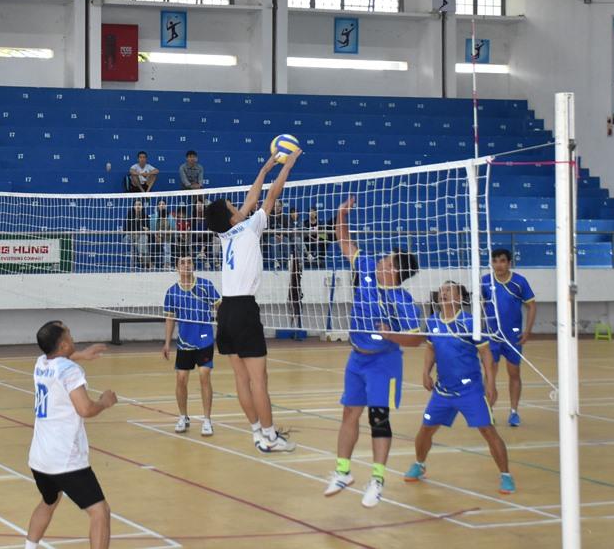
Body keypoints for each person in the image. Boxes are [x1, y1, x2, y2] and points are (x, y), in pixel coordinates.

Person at [324, 196, 422, 508]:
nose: (382, 260)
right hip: (357, 358)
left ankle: (377, 479)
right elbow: (345, 243)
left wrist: (391, 333)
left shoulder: (403, 302)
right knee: (349, 413)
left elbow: (417, 339)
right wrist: (341, 215)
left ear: (395, 271)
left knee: (378, 418)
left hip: (384, 363)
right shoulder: (366, 269)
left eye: (389, 260)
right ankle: (343, 471)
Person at [203, 149, 301, 453]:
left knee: (241, 379)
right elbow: (271, 196)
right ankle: (270, 437)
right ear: (233, 216)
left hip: (225, 311)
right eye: (235, 206)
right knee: (259, 380)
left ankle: (258, 432)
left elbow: (252, 198)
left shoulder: (227, 234)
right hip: (244, 309)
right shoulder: (248, 228)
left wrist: (265, 167)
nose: (240, 206)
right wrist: (288, 166)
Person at [404, 282, 516, 494]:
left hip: (470, 390)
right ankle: (419, 464)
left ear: (459, 298)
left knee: (488, 430)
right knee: (425, 430)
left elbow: (486, 354)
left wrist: (490, 383)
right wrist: (425, 372)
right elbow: (430, 347)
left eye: (449, 290)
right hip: (443, 391)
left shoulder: (468, 322)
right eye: (442, 290)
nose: (443, 293)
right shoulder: (433, 321)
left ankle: (506, 475)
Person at [25, 321, 115, 549]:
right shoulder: (71, 371)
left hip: (39, 458)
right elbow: (85, 409)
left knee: (49, 502)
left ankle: (29, 547)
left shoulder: (41, 363)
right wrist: (104, 402)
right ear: (64, 344)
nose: (73, 338)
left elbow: (59, 364)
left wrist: (81, 355)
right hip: (65, 460)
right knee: (100, 512)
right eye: (70, 336)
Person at [162, 255, 220, 436]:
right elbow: (170, 318)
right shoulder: (172, 292)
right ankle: (183, 416)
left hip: (204, 337)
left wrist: (227, 325)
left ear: (193, 266)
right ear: (177, 268)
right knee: (181, 379)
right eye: (182, 263)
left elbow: (220, 306)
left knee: (204, 375)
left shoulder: (205, 285)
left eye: (189, 262)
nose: (186, 265)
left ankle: (207, 420)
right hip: (184, 341)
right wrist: (166, 343)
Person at [481, 248, 537, 427]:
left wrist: (527, 331)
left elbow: (532, 306)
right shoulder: (485, 282)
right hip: (491, 337)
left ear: (509, 263)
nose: (499, 264)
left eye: (502, 261)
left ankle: (514, 412)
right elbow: (478, 306)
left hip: (513, 337)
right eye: (495, 261)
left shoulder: (520, 282)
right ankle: (488, 411)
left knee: (514, 373)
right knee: (490, 375)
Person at [124, 199, 150, 270]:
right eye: (136, 205)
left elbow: (148, 229)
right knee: (141, 239)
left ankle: (142, 257)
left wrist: (142, 229)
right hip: (129, 236)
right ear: (133, 206)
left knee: (143, 238)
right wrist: (141, 228)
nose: (138, 206)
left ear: (142, 206)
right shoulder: (130, 215)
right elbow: (128, 228)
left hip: (141, 236)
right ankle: (145, 262)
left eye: (139, 205)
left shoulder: (145, 216)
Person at [264, 200, 290, 271]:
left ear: (281, 207)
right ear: (273, 207)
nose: (277, 208)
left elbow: (287, 229)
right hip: (270, 236)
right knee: (274, 240)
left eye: (279, 206)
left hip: (282, 236)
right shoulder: (269, 216)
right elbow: (267, 229)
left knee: (286, 240)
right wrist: (275, 234)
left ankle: (288, 261)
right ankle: (276, 261)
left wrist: (281, 234)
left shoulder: (285, 217)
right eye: (275, 206)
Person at [149, 199, 173, 269]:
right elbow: (152, 228)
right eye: (160, 204)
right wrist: (157, 235)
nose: (161, 205)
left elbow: (172, 227)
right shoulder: (153, 216)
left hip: (166, 235)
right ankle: (152, 264)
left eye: (163, 204)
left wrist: (164, 234)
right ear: (157, 206)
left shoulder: (170, 216)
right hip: (155, 235)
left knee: (168, 240)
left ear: (166, 206)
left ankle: (167, 264)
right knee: (152, 240)